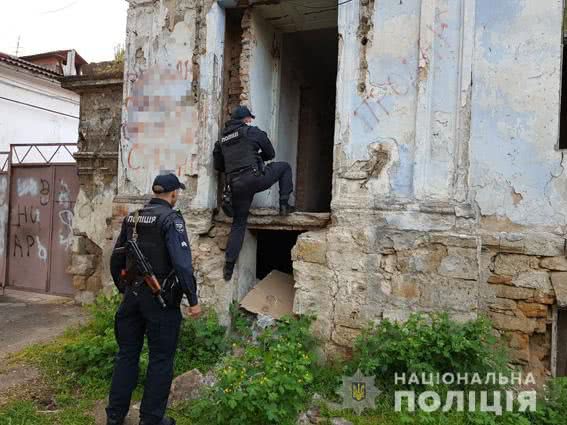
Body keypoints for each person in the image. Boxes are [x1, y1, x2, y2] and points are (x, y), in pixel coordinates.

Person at [106, 173, 201, 425]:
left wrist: (123, 289)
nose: (177, 196)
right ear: (172, 194)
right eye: (177, 193)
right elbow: (182, 265)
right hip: (160, 299)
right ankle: (150, 420)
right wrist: (193, 299)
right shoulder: (172, 219)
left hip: (132, 297)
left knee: (127, 354)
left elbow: (116, 258)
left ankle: (114, 417)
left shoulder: (133, 218)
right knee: (160, 359)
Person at [213, 106, 295, 281]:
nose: (251, 121)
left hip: (236, 186)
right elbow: (270, 153)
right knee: (284, 167)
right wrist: (256, 158)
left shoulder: (222, 140)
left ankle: (228, 266)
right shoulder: (251, 132)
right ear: (245, 119)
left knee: (239, 223)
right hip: (255, 179)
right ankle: (284, 205)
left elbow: (219, 166)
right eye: (250, 118)